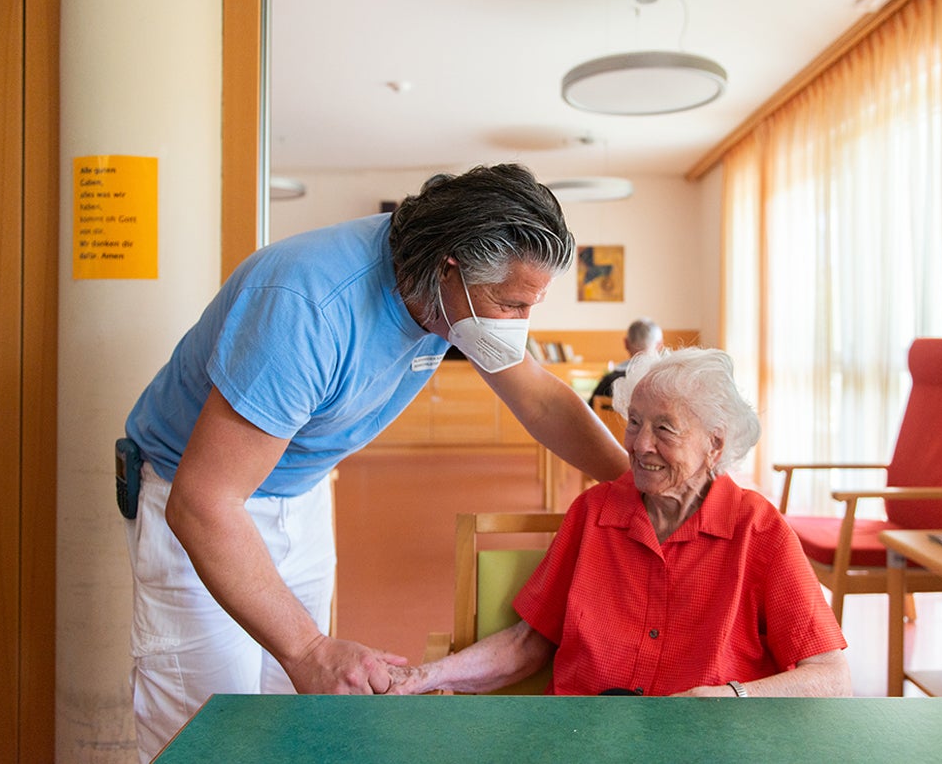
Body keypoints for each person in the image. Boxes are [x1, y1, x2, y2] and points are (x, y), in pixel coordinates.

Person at [121, 163, 629, 759]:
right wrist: (310, 649)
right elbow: (203, 503)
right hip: (201, 499)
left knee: (286, 710)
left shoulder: (450, 292)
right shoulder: (307, 306)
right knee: (210, 730)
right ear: (450, 268)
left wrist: (639, 482)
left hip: (298, 488)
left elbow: (541, 398)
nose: (519, 325)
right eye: (512, 304)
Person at [387, 347, 850, 698]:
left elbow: (831, 675)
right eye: (633, 422)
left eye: (664, 428)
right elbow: (530, 643)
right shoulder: (593, 513)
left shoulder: (758, 529)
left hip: (703, 746)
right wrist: (422, 676)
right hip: (583, 742)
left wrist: (732, 696)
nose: (639, 444)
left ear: (715, 443)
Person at [588, 317, 663, 402]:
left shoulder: (609, 382)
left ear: (626, 343)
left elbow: (591, 409)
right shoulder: (663, 381)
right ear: (659, 345)